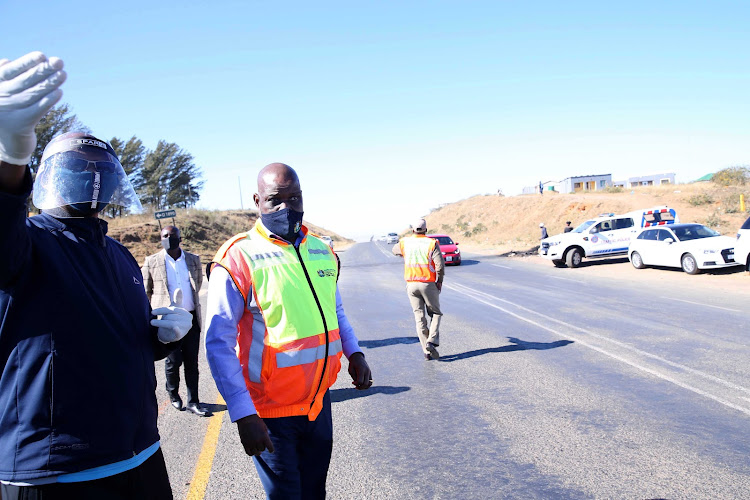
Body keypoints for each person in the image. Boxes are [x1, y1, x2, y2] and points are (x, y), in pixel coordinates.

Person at [0, 52, 193, 499]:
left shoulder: (119, 256)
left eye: (99, 171)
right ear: (51, 177)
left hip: (140, 454)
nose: (90, 180)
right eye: (77, 170)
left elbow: (116, 344)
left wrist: (161, 340)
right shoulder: (26, 241)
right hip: (55, 473)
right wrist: (10, 156)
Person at [205, 163, 372, 499]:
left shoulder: (321, 251)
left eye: (294, 197)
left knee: (314, 493)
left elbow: (335, 311)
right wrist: (242, 413)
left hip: (318, 404)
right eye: (275, 200)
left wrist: (354, 352)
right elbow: (218, 342)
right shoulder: (238, 257)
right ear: (257, 201)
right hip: (270, 413)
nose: (286, 207)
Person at [143, 225, 209, 417]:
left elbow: (196, 286)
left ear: (180, 238)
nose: (168, 238)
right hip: (169, 322)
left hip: (190, 319)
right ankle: (173, 394)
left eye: (172, 235)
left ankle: (193, 401)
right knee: (173, 362)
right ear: (160, 238)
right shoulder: (152, 261)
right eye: (164, 236)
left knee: (192, 363)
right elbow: (145, 292)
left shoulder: (193, 260)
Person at [391, 218, 445, 360]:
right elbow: (439, 266)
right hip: (428, 283)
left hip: (411, 284)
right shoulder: (432, 243)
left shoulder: (405, 242)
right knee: (436, 314)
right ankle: (432, 340)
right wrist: (439, 281)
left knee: (419, 317)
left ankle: (426, 352)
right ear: (426, 229)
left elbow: (394, 250)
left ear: (412, 230)